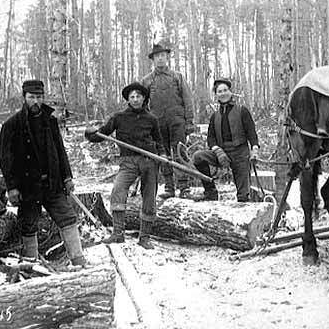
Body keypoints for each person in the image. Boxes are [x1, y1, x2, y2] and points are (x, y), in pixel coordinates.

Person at [0, 80, 86, 266]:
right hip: (28, 186)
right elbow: (6, 160)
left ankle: (79, 261)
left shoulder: (50, 121)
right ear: (24, 98)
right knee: (29, 224)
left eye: (39, 97)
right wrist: (12, 187)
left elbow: (60, 151)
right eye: (32, 97)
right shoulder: (12, 125)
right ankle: (31, 264)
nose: (36, 101)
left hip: (52, 183)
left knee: (68, 218)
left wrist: (67, 177)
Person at [85, 82, 166, 249]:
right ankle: (118, 234)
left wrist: (163, 155)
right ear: (128, 99)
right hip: (128, 162)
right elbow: (103, 133)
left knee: (149, 198)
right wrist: (90, 134)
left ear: (144, 99)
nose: (135, 99)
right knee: (118, 190)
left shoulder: (151, 119)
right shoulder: (119, 117)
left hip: (149, 161)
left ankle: (144, 237)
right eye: (132, 97)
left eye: (138, 96)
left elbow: (159, 142)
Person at [141, 44, 195, 199]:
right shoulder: (147, 81)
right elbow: (143, 106)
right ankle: (169, 187)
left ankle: (184, 187)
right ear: (152, 60)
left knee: (180, 152)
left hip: (177, 122)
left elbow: (187, 99)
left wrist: (189, 121)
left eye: (163, 55)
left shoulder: (177, 77)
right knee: (163, 155)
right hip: (157, 124)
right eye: (157, 56)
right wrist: (145, 126)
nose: (160, 59)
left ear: (167, 57)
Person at [192, 78, 260, 202]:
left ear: (230, 92)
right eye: (219, 91)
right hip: (222, 153)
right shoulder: (215, 116)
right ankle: (210, 191)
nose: (223, 93)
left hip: (240, 154)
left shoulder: (242, 110)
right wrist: (217, 151)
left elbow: (251, 132)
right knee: (198, 157)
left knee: (243, 196)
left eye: (225, 90)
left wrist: (254, 150)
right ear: (216, 94)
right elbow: (211, 138)